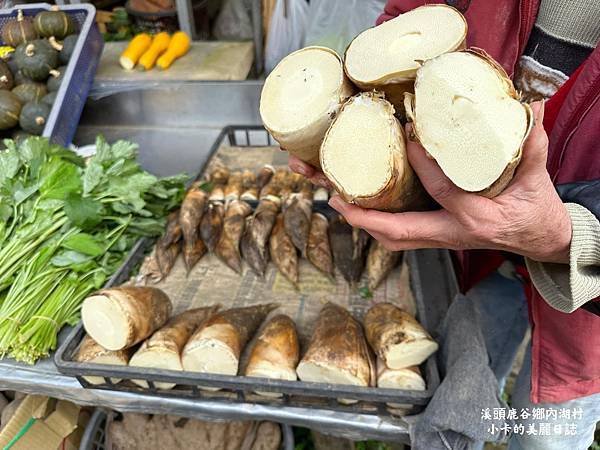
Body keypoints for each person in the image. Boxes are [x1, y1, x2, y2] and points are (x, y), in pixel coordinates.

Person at [287, 1, 600, 449]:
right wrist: (365, 92)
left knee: (546, 434)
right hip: (473, 256)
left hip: (589, 297)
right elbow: (410, 17)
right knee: (454, 404)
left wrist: (573, 240)